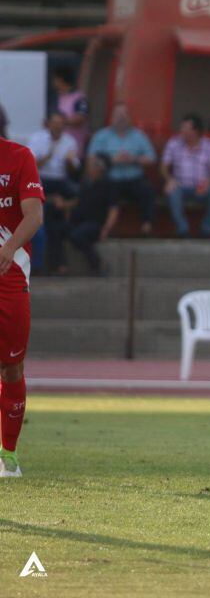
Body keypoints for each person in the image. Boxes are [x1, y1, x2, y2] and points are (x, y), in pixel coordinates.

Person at [0, 134, 46, 477]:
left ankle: (8, 455)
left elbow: (34, 215)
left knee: (12, 368)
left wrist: (8, 247)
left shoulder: (19, 157)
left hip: (10, 275)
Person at [86, 103, 156, 237]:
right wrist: (112, 160)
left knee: (147, 191)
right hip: (110, 179)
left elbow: (151, 158)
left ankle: (147, 226)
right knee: (101, 192)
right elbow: (91, 161)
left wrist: (134, 159)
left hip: (134, 178)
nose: (121, 118)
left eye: (124, 115)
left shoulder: (139, 136)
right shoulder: (101, 136)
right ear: (112, 117)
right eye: (118, 115)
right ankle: (102, 229)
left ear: (129, 117)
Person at [28, 114, 81, 273]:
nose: (58, 127)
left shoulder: (69, 141)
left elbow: (74, 171)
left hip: (61, 181)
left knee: (78, 194)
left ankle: (63, 208)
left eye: (61, 124)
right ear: (48, 124)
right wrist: (48, 156)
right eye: (55, 123)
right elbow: (30, 166)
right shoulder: (37, 139)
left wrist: (70, 161)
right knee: (51, 218)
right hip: (41, 180)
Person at [161, 114, 210, 238]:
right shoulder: (174, 143)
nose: (181, 131)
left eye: (185, 128)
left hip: (202, 188)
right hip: (180, 186)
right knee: (172, 191)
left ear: (195, 131)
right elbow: (163, 166)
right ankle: (183, 231)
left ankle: (206, 231)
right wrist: (169, 179)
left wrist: (209, 182)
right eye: (182, 128)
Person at [53, 153, 118, 276]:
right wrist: (64, 204)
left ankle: (98, 264)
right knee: (58, 229)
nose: (89, 169)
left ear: (100, 169)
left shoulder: (108, 185)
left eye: (93, 166)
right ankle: (61, 265)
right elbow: (78, 201)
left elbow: (113, 209)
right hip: (79, 221)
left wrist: (106, 229)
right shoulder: (86, 184)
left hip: (95, 224)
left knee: (77, 236)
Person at [51, 67, 90, 155]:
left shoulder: (79, 98)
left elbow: (81, 118)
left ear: (60, 79)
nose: (53, 82)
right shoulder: (58, 97)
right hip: (59, 146)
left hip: (75, 146)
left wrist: (60, 122)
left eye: (55, 79)